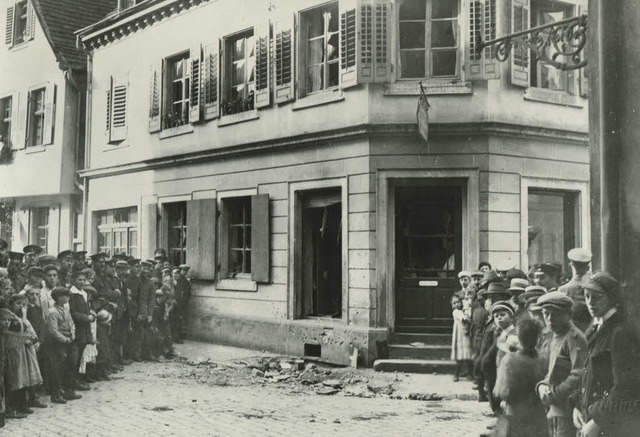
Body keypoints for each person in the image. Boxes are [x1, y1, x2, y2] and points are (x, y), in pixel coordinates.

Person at [572, 272, 640, 436]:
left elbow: (627, 387)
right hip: (596, 420)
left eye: (597, 297)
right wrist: (576, 405)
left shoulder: (621, 332)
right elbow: (589, 376)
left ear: (612, 298)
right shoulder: (596, 329)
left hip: (616, 425)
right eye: (587, 296)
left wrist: (597, 421)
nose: (590, 302)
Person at [535, 292, 587, 437]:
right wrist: (541, 386)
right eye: (546, 314)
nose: (550, 319)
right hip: (553, 407)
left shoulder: (573, 337)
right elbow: (552, 371)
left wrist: (554, 393)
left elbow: (579, 374)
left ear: (568, 315)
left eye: (555, 314)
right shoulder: (555, 335)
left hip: (567, 409)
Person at [493, 318, 548, 437]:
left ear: (519, 337)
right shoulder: (543, 359)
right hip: (538, 416)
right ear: (538, 338)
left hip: (514, 414)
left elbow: (500, 391)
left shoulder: (509, 360)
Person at [5, 294, 42, 417]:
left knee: (24, 378)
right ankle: (15, 407)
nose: (21, 307)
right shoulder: (9, 317)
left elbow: (30, 330)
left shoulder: (21, 317)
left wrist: (33, 339)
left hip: (25, 351)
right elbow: (20, 328)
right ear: (11, 303)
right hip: (14, 351)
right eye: (18, 303)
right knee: (16, 378)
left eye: (23, 304)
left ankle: (23, 404)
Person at [48, 287, 82, 404]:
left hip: (69, 341)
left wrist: (72, 334)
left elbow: (71, 323)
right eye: (65, 295)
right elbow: (53, 331)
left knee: (71, 366)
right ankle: (56, 394)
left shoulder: (65, 309)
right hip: (59, 344)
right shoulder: (52, 311)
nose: (67, 298)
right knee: (58, 369)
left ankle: (68, 390)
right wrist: (65, 339)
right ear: (57, 297)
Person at [69, 271, 95, 391]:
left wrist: (90, 315)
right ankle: (71, 383)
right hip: (76, 329)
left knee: (79, 357)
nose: (82, 282)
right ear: (73, 280)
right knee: (73, 359)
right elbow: (72, 313)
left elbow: (86, 310)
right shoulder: (72, 294)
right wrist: (86, 317)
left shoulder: (83, 293)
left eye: (84, 280)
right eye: (79, 279)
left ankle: (76, 380)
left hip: (84, 330)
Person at [451, 295, 472, 381]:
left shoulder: (463, 311)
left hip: (465, 335)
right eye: (454, 303)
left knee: (467, 354)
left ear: (461, 302)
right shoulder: (456, 312)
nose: (456, 304)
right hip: (460, 336)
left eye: (458, 302)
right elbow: (464, 319)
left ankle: (469, 373)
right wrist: (470, 320)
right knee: (459, 355)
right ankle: (456, 374)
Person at [492, 301, 519, 368]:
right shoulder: (500, 334)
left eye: (502, 314)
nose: (499, 318)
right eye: (496, 316)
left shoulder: (515, 334)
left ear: (511, 318)